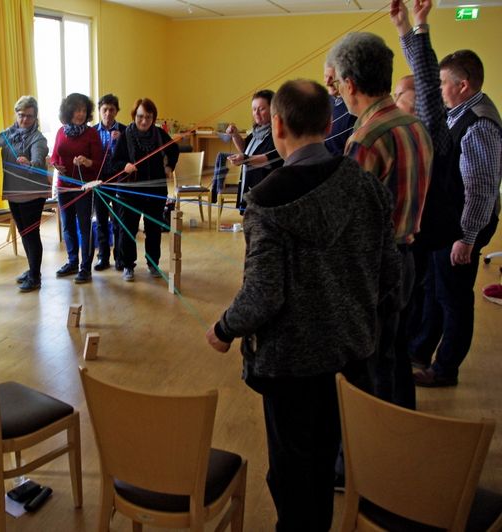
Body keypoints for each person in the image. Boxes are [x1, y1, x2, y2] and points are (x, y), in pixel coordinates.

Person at [206, 79, 400, 532]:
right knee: (322, 459)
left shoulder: (264, 200)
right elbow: (390, 275)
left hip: (290, 366)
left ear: (276, 126)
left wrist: (224, 327)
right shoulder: (366, 186)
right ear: (329, 124)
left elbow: (263, 293)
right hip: (350, 356)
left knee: (292, 472)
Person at [390, 0, 501, 388]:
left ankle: (445, 369)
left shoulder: (479, 124)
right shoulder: (459, 111)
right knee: (435, 289)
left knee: (453, 298)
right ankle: (421, 350)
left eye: (442, 85)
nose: (434, 91)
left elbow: (481, 189)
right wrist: (408, 27)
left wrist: (466, 239)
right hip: (451, 220)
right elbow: (423, 78)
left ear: (463, 86)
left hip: (465, 225)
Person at [328, 31, 433, 408]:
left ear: (350, 84)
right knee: (394, 353)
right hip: (407, 259)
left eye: (338, 84)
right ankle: (400, 426)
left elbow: (347, 222)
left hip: (373, 268)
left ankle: (372, 437)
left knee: (368, 367)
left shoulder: (366, 139)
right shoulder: (414, 125)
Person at [111, 97, 179, 282]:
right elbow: (114, 162)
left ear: (153, 118)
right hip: (129, 192)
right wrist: (125, 166)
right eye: (140, 116)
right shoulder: (125, 135)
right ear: (134, 116)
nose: (144, 121)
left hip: (155, 191)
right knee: (128, 230)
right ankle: (128, 265)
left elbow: (174, 149)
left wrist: (169, 166)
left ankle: (153, 264)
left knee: (154, 229)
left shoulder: (159, 134)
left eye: (148, 117)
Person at [0, 95, 49, 292]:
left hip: (32, 194)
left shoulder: (38, 138)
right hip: (13, 192)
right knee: (24, 233)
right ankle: (32, 269)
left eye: (29, 116)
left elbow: (39, 160)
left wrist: (30, 163)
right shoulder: (10, 133)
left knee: (31, 234)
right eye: (21, 115)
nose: (24, 119)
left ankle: (35, 277)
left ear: (35, 117)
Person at [50, 93, 103, 284]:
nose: (80, 114)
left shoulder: (91, 134)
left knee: (84, 226)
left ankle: (85, 267)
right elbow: (54, 156)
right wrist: (56, 165)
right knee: (68, 226)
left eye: (83, 110)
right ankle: (72, 261)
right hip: (63, 187)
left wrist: (87, 161)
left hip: (84, 188)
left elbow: (99, 163)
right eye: (76, 110)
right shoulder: (60, 132)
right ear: (68, 111)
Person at [210, 91, 283, 209]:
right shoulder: (257, 131)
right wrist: (235, 135)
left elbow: (269, 159)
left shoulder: (277, 134)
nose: (256, 113)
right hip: (250, 185)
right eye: (254, 109)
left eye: (261, 109)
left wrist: (245, 159)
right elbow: (245, 148)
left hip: (265, 191)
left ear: (273, 109)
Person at [93, 93, 126, 271]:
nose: (108, 113)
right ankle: (103, 257)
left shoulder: (125, 131)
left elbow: (129, 156)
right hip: (100, 181)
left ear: (117, 111)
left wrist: (121, 140)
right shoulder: (92, 132)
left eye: (111, 110)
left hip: (119, 181)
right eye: (104, 109)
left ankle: (120, 257)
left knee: (119, 220)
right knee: (101, 220)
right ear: (99, 110)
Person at [323, 62, 357, 156]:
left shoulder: (354, 104)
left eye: (332, 77)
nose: (327, 82)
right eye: (326, 76)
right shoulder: (322, 104)